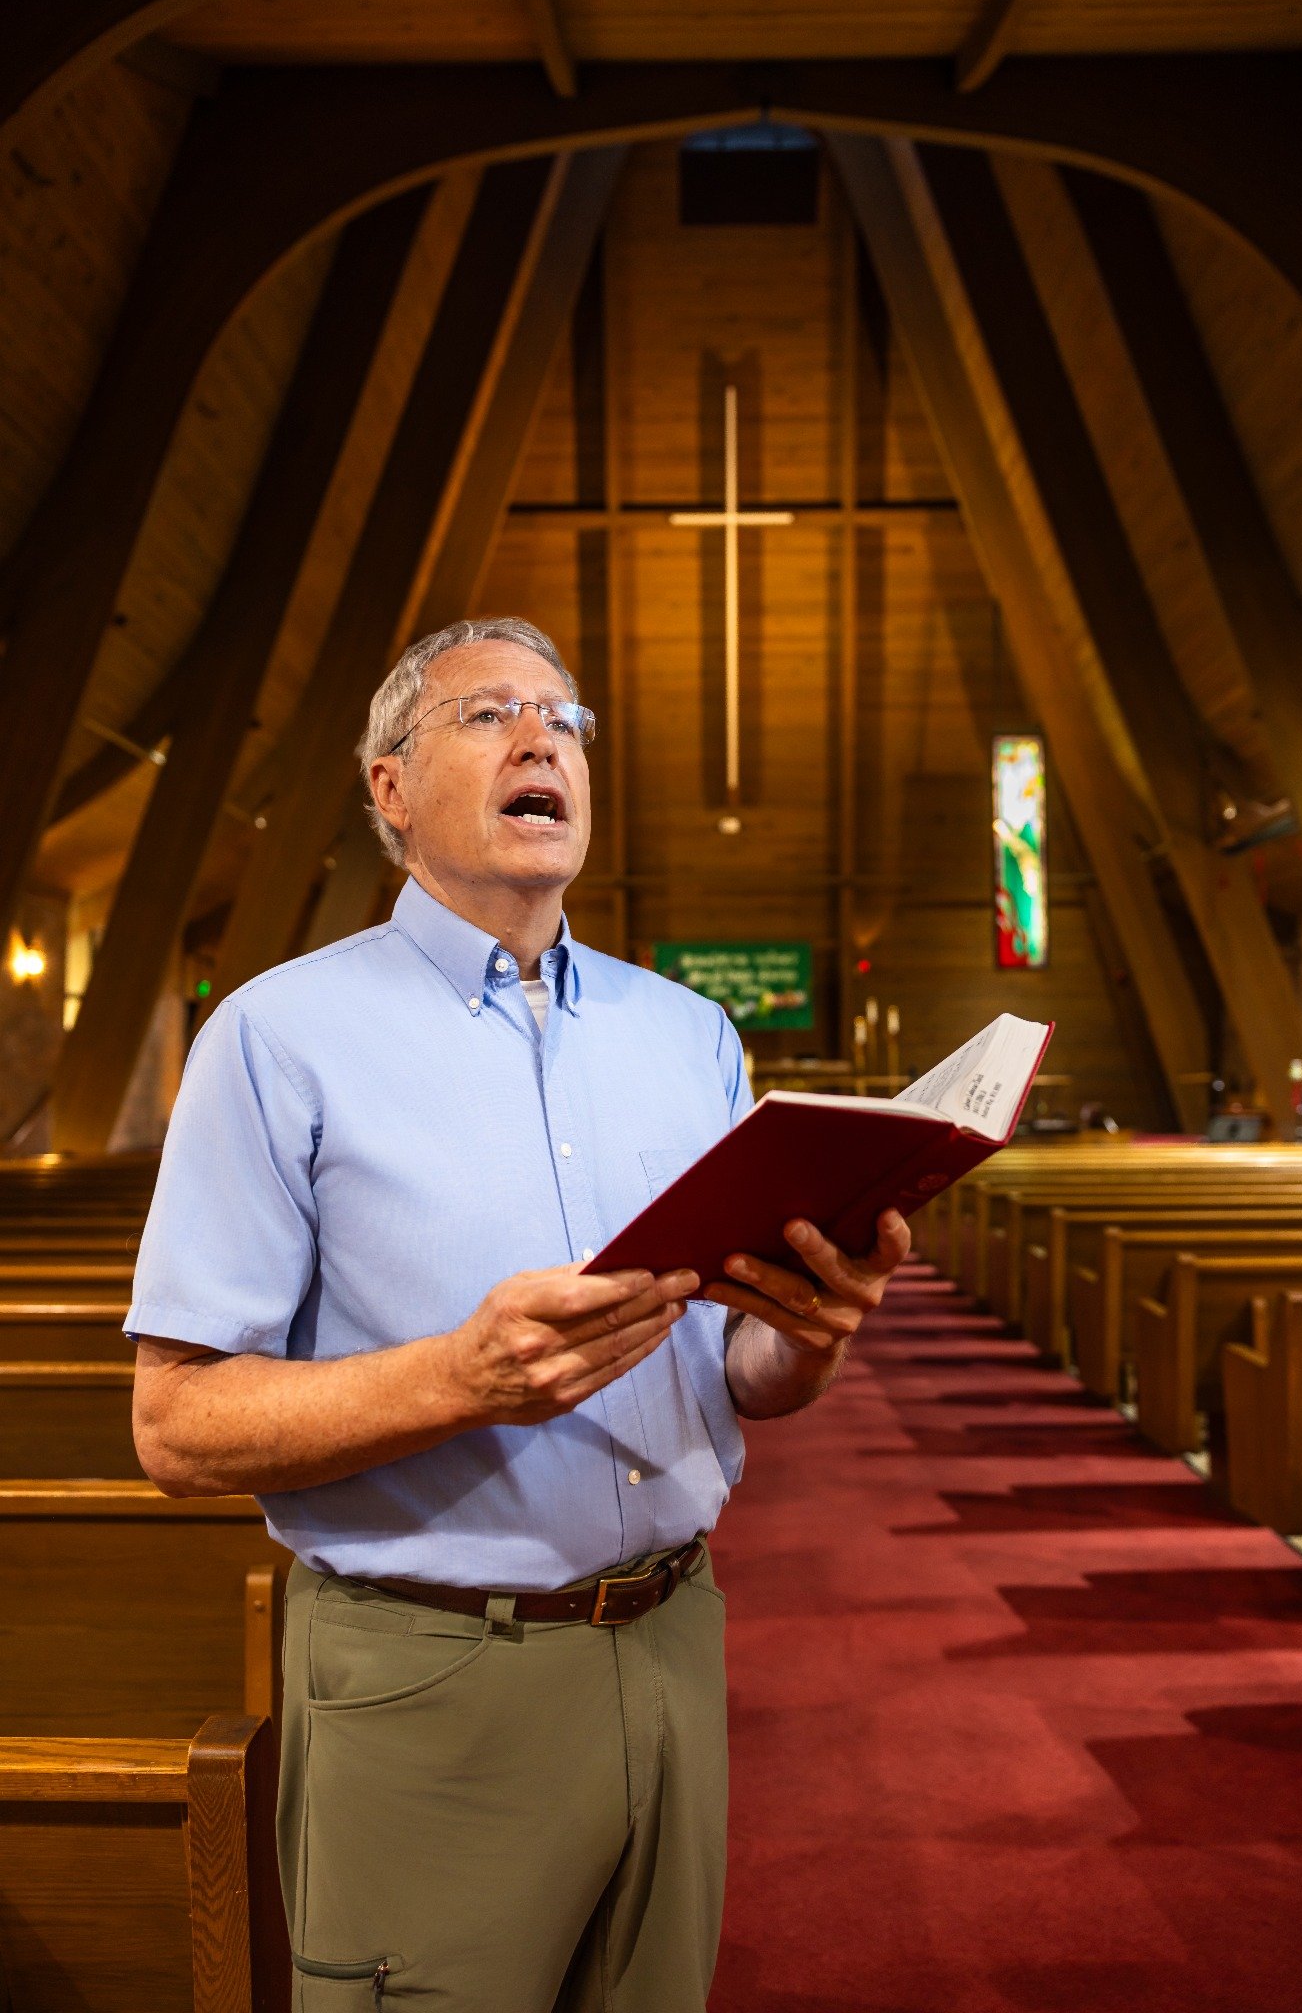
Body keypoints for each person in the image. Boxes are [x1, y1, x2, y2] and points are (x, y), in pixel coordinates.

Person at [129, 616, 909, 2013]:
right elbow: (179, 1425)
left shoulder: (689, 1038)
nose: (543, 738)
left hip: (672, 1639)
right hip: (430, 1670)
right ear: (388, 787)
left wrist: (805, 1332)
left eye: (566, 719)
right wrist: (459, 1379)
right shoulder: (277, 1033)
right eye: (489, 714)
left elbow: (730, 1374)